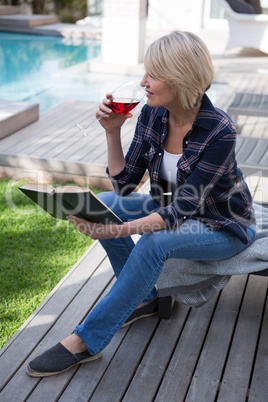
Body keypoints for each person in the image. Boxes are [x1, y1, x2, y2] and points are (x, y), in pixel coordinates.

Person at [26, 30, 256, 377]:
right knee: (104, 201)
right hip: (166, 206)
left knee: (153, 240)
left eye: (153, 74)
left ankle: (86, 340)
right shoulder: (153, 114)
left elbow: (180, 212)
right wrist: (112, 131)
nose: (142, 82)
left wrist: (114, 229)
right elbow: (124, 184)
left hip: (221, 224)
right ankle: (145, 297)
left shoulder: (219, 130)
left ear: (180, 77)